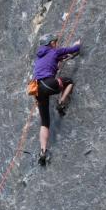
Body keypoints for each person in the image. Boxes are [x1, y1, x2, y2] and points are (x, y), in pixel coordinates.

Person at [32, 33, 82, 165]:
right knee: (69, 82)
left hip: (38, 89)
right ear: (50, 43)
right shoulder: (54, 52)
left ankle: (43, 151)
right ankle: (61, 103)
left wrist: (61, 59)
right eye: (54, 41)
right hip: (48, 83)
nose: (56, 43)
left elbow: (58, 58)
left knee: (45, 123)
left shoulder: (39, 58)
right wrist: (77, 44)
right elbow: (73, 49)